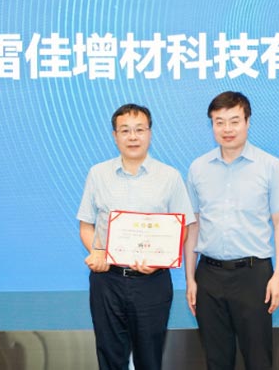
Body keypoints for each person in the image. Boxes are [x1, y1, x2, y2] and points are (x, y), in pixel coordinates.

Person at [184, 91, 279, 370]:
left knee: (258, 359)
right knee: (216, 359)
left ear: (248, 122)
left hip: (254, 276)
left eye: (234, 121)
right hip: (208, 275)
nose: (227, 129)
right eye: (219, 122)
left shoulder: (270, 165)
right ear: (211, 125)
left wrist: (278, 276)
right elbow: (194, 226)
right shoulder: (198, 168)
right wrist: (190, 279)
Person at [77, 103, 194, 370]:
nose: (133, 137)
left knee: (149, 358)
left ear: (150, 133)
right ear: (115, 135)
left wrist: (159, 260)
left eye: (139, 130)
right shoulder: (98, 174)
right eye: (125, 130)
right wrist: (97, 252)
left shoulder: (169, 176)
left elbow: (182, 228)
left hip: (152, 282)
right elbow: (86, 225)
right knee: (110, 356)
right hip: (108, 280)